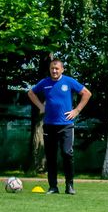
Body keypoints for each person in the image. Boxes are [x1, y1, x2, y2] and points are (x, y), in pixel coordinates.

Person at [27, 59, 92, 195]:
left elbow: (87, 93)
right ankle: (53, 187)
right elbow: (31, 93)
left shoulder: (69, 82)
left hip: (66, 126)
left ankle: (70, 186)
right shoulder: (44, 83)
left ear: (62, 69)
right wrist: (41, 107)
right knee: (51, 156)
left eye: (57, 68)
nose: (54, 71)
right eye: (52, 68)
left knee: (67, 153)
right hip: (49, 125)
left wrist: (77, 110)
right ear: (49, 69)